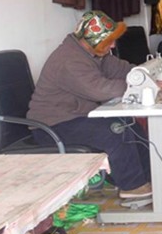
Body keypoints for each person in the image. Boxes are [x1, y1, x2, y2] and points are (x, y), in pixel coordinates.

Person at [27, 10, 152, 199]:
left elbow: (122, 69)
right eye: (109, 41)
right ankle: (132, 186)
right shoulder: (69, 60)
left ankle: (149, 177)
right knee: (115, 130)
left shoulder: (94, 53)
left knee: (129, 123)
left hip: (75, 116)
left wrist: (144, 76)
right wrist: (139, 86)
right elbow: (100, 89)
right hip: (53, 126)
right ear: (93, 40)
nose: (113, 45)